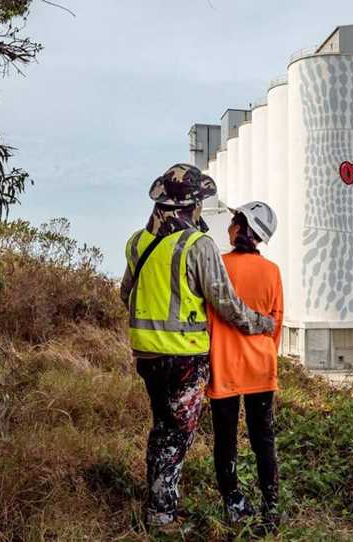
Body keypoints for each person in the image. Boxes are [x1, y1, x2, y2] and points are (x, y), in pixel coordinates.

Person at [120, 165, 275, 532]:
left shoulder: (136, 242)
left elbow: (125, 294)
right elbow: (227, 304)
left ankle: (162, 504)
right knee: (175, 434)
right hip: (184, 357)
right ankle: (161, 516)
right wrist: (261, 324)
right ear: (192, 204)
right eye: (202, 201)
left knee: (163, 428)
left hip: (146, 355)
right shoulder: (197, 245)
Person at [207, 201, 283, 532]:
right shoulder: (273, 272)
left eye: (233, 221)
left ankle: (234, 503)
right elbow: (276, 323)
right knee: (263, 439)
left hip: (224, 366)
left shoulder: (218, 267)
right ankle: (272, 506)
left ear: (240, 229)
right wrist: (265, 357)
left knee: (225, 440)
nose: (228, 227)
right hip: (260, 369)